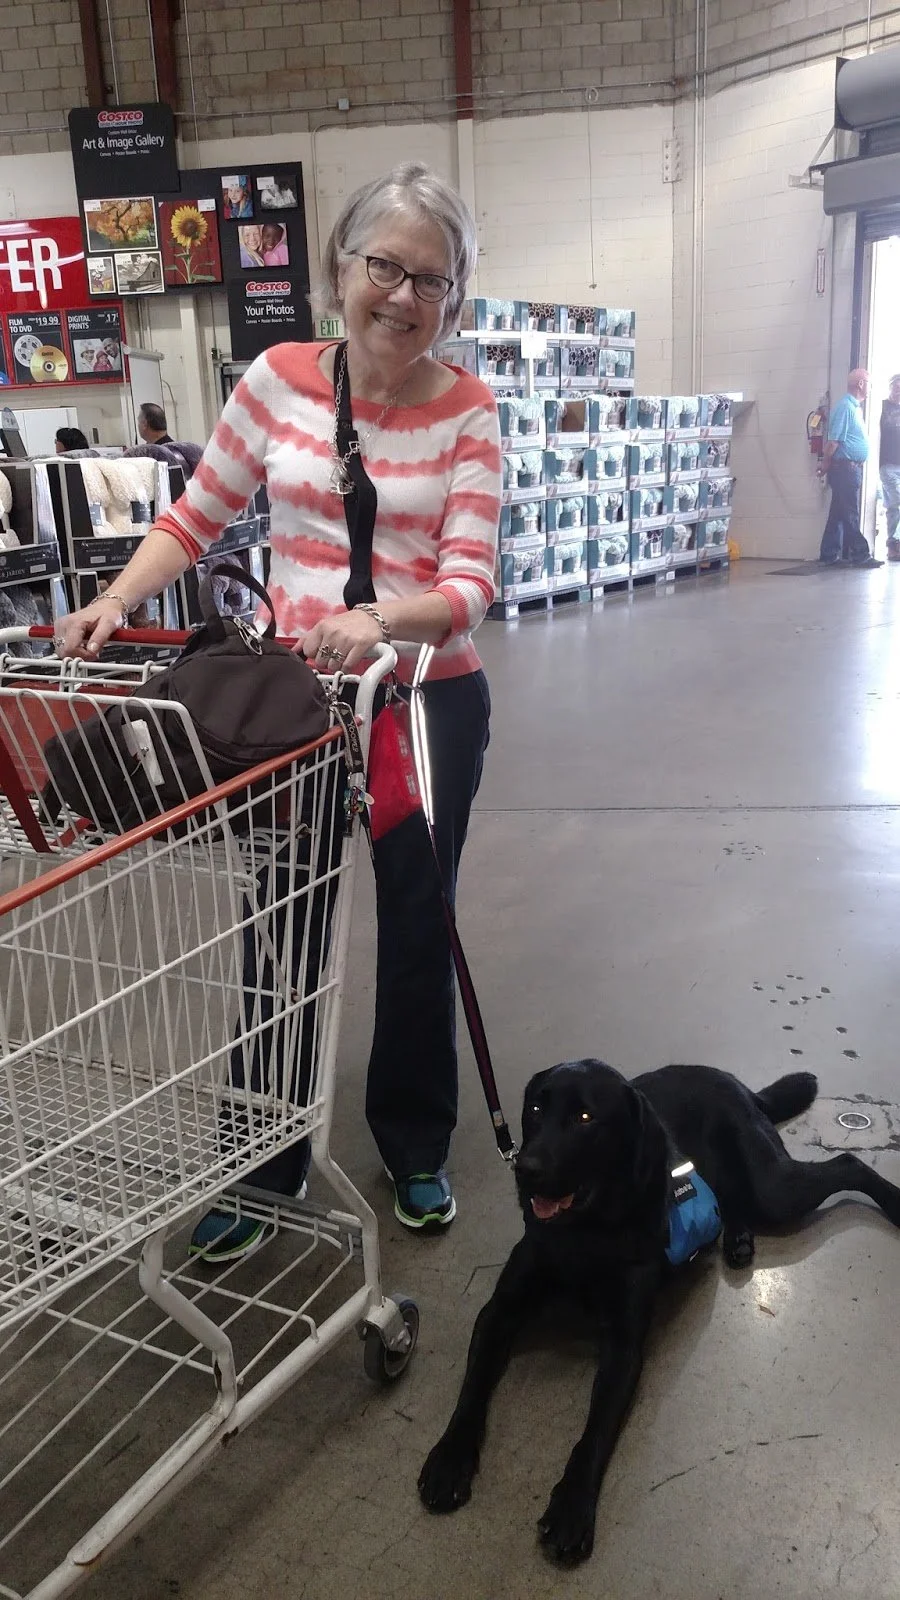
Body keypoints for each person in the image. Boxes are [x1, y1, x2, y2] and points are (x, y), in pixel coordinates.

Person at [53, 162, 501, 1253]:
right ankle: (261, 1165)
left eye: (429, 281)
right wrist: (114, 598)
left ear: (455, 297)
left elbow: (472, 582)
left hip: (420, 709)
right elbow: (198, 514)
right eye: (383, 266)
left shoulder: (468, 411)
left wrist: (383, 622)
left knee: (413, 925)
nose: (401, 296)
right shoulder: (278, 380)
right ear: (341, 267)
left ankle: (415, 1143)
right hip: (295, 711)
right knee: (283, 924)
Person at [818, 369, 881, 567]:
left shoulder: (853, 408)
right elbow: (833, 441)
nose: (870, 387)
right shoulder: (845, 407)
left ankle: (828, 555)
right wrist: (825, 464)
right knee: (850, 513)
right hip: (845, 469)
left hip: (850, 469)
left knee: (838, 513)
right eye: (869, 383)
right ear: (861, 384)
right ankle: (861, 554)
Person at [880, 373, 900, 562]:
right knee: (896, 502)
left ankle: (895, 545)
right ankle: (893, 544)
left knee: (895, 505)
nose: (899, 391)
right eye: (896, 387)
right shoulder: (882, 407)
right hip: (888, 465)